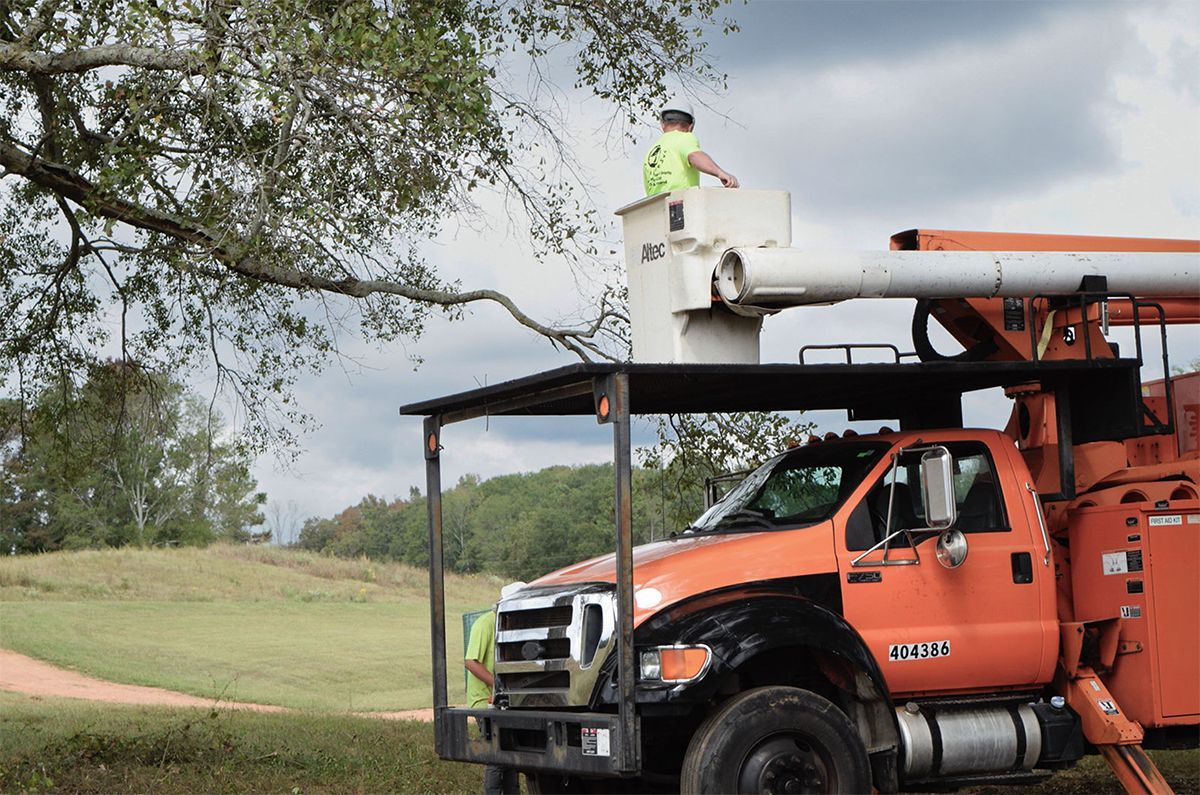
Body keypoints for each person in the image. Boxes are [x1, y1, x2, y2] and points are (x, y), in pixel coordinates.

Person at [465, 581, 526, 795]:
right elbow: (471, 661)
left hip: (505, 703)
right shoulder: (485, 623)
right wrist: (498, 688)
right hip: (485, 702)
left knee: (511, 757)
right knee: (497, 757)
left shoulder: (514, 627)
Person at [643, 99, 739, 196]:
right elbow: (694, 155)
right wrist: (720, 173)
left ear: (662, 124)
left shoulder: (651, 151)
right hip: (681, 204)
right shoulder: (684, 137)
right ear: (691, 126)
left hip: (656, 207)